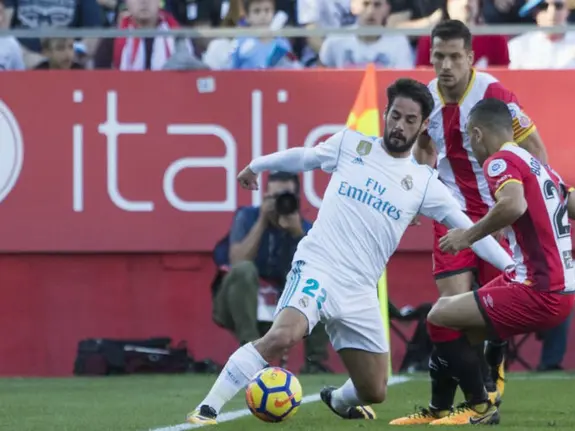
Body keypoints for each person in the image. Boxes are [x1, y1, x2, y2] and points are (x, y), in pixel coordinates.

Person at [186, 78, 516, 425]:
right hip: (319, 267)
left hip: (361, 289)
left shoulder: (423, 184)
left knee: (374, 389)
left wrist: (512, 269)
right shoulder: (351, 145)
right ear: (385, 114)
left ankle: (339, 400)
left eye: (410, 120)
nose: (399, 126)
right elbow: (305, 157)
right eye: (395, 116)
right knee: (283, 336)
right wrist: (257, 164)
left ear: (422, 127)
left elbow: (471, 231)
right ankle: (208, 408)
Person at [392, 19, 550, 426]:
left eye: (454, 57)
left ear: (470, 57)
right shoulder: (426, 98)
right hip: (450, 212)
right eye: (438, 57)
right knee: (450, 312)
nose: (445, 65)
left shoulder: (495, 94)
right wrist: (417, 192)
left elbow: (534, 147)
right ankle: (476, 401)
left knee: (492, 316)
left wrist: (532, 202)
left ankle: (490, 367)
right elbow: (424, 149)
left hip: (499, 213)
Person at [430, 98, 575, 424]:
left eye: (470, 139)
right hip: (560, 291)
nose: (472, 148)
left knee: (439, 317)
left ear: (477, 134)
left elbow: (513, 205)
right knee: (459, 331)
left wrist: (466, 237)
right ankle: (440, 409)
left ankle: (480, 406)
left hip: (537, 290)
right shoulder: (541, 168)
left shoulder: (498, 162)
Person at [213, 171, 330, 374]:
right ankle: (252, 357)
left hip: (285, 306)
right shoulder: (247, 217)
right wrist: (262, 221)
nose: (280, 203)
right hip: (238, 302)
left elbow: (319, 266)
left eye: (286, 197)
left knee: (320, 279)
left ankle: (315, 362)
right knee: (244, 270)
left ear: (296, 199)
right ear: (265, 196)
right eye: (275, 197)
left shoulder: (306, 229)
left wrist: (297, 234)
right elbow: (236, 262)